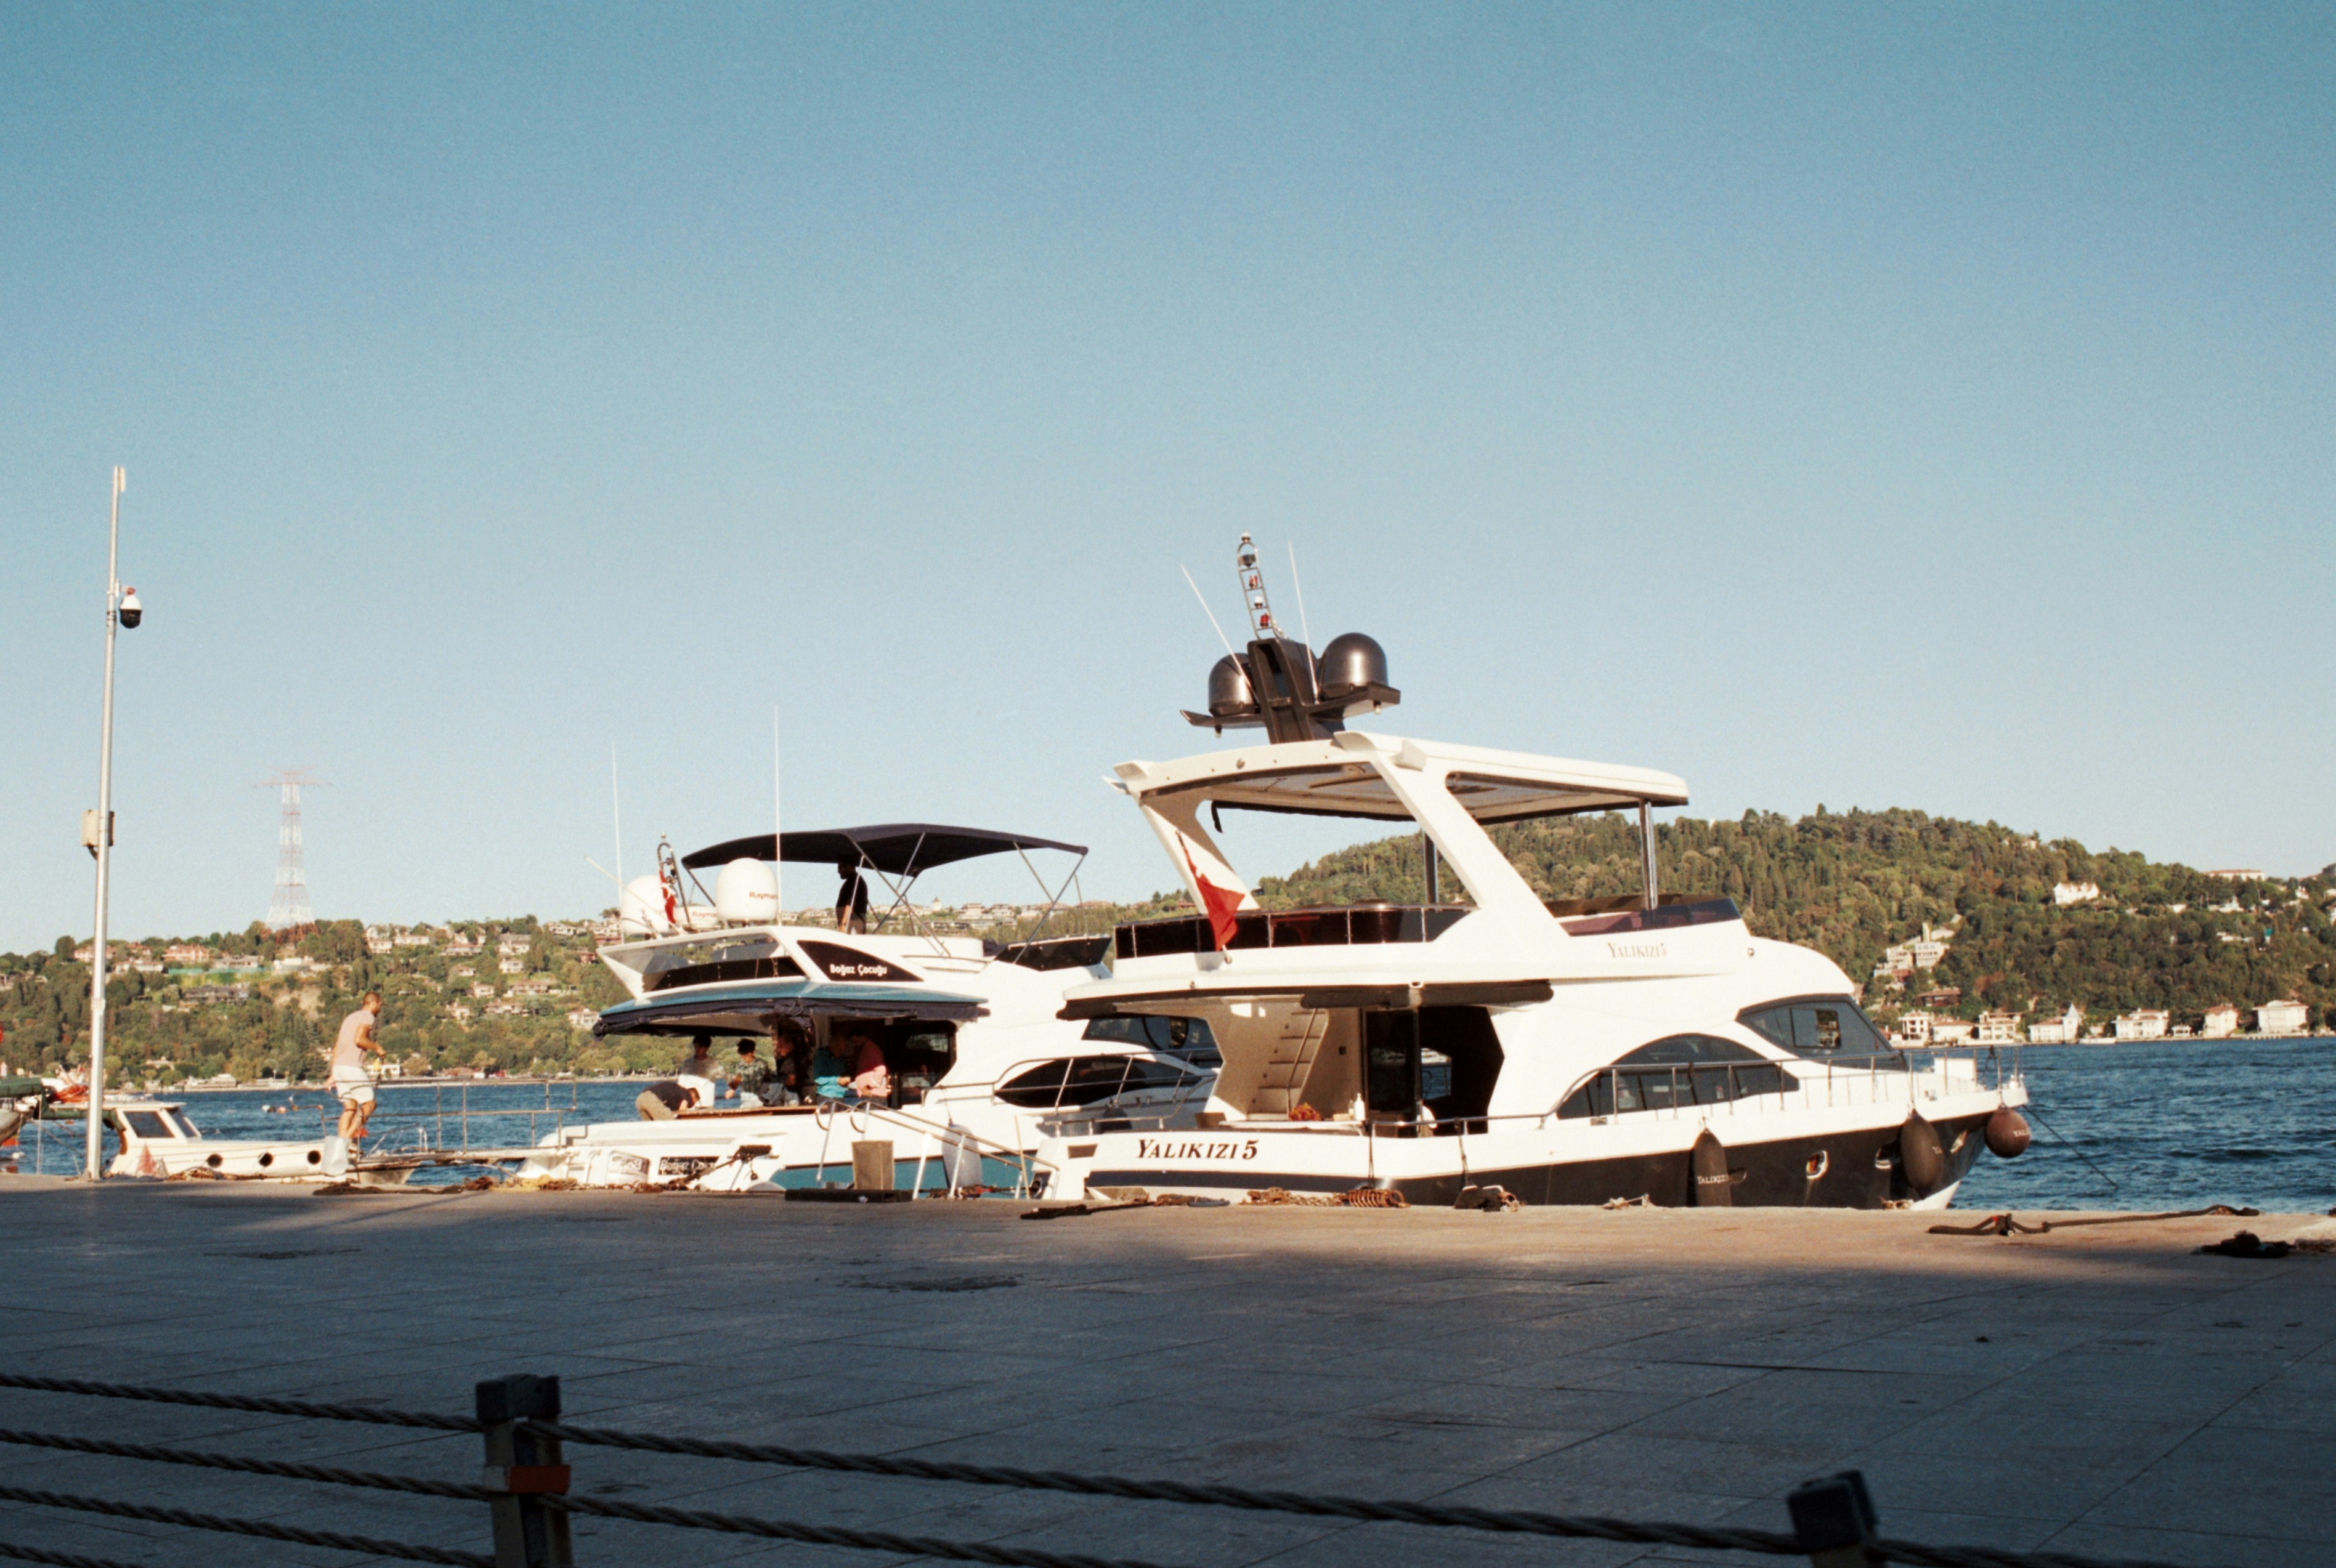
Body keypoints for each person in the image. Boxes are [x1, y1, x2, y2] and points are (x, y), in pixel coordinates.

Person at [330, 992, 384, 1143]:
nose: (380, 1008)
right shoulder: (368, 1016)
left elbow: (337, 1046)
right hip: (352, 1067)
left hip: (340, 1067)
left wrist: (334, 1073)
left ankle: (341, 1143)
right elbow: (359, 1040)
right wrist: (377, 1047)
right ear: (374, 1003)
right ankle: (346, 1141)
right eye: (380, 1005)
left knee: (350, 1108)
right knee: (370, 1104)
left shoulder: (350, 1017)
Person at [834, 860, 870, 934]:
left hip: (852, 922)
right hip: (851, 921)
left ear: (849, 867)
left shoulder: (855, 882)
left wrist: (844, 924)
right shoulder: (853, 880)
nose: (838, 871)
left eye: (841, 868)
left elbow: (850, 904)